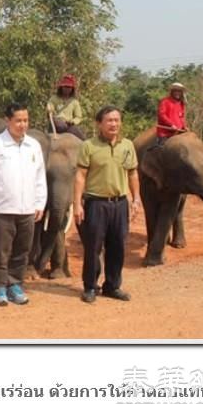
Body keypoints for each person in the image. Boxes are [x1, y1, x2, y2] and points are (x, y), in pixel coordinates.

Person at [73, 105, 141, 304]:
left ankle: (112, 286)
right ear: (99, 124)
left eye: (117, 120)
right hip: (96, 203)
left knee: (118, 246)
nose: (114, 124)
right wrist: (77, 204)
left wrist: (136, 198)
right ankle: (90, 286)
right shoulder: (89, 146)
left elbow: (133, 173)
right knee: (93, 247)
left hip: (120, 203)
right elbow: (80, 176)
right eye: (109, 120)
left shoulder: (127, 145)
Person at [0, 103, 47, 306]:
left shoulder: (33, 145)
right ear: (7, 121)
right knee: (2, 250)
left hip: (27, 208)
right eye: (18, 120)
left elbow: (40, 176)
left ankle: (15, 285)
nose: (22, 125)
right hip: (2, 208)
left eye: (25, 120)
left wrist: (40, 202)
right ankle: (0, 287)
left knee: (22, 250)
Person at [46, 74, 85, 140]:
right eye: (65, 87)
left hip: (69, 125)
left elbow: (78, 117)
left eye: (69, 87)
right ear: (61, 87)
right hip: (56, 124)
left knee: (82, 139)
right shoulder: (54, 98)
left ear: (72, 89)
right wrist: (49, 110)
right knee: (59, 126)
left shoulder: (74, 102)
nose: (67, 89)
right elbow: (50, 108)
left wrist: (72, 122)